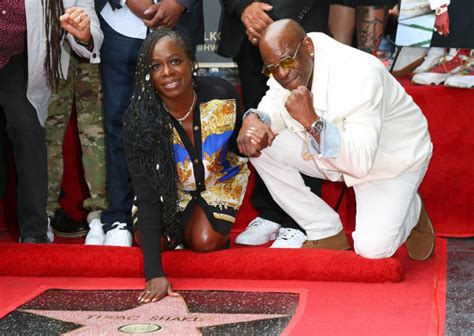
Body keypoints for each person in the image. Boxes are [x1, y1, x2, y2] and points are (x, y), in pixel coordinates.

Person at [237, 19, 435, 261]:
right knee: (261, 144)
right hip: (334, 149)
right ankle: (324, 229)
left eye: (286, 62)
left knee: (372, 250)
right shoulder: (291, 56)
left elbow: (360, 163)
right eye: (271, 68)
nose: (282, 73)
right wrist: (257, 119)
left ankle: (412, 209)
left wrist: (312, 122)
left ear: (308, 46)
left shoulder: (362, 74)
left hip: (390, 161)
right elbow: (274, 100)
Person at [123, 29, 249, 302]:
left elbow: (241, 147)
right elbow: (146, 195)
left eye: (175, 61)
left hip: (218, 181)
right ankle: (181, 229)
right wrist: (154, 273)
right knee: (150, 241)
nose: (167, 72)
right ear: (148, 74)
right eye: (156, 66)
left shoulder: (222, 94)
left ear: (191, 62)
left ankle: (198, 226)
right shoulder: (139, 118)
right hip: (168, 191)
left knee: (204, 242)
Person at [85, 0, 204, 247]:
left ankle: (178, 215)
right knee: (119, 124)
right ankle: (119, 217)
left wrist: (179, 3)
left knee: (179, 120)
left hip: (178, 22)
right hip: (121, 25)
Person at [218, 0, 330, 248]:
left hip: (299, 20)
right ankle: (270, 211)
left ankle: (301, 220)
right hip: (248, 31)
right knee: (262, 122)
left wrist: (276, 19)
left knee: (303, 114)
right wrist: (245, 8)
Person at [0, 0, 102, 243]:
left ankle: (34, 233)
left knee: (27, 127)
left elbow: (87, 17)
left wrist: (85, 33)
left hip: (17, 60)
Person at [47, 10, 106, 238]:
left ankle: (102, 216)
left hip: (95, 31)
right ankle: (45, 212)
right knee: (47, 128)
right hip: (47, 41)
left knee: (96, 130)